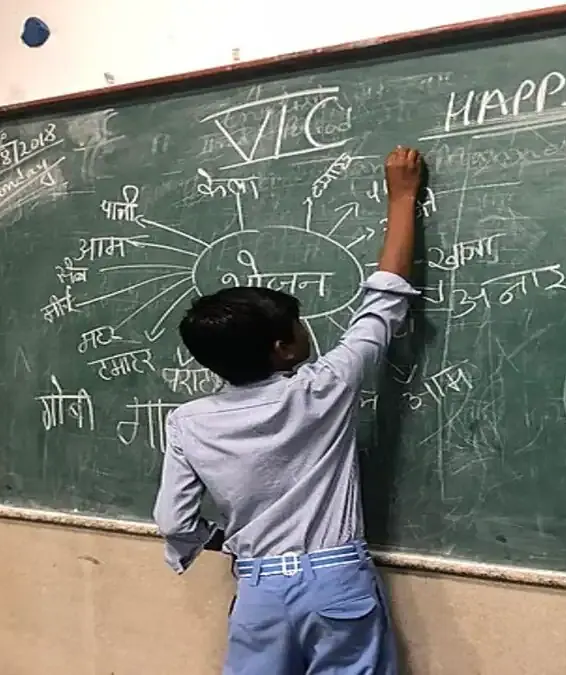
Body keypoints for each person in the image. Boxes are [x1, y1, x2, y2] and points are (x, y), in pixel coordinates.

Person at [153, 146, 424, 675]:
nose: (307, 332)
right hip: (337, 583)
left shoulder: (188, 422)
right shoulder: (324, 386)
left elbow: (173, 521)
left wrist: (215, 541)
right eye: (298, 326)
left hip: (260, 588)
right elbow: (383, 302)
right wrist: (403, 196)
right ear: (284, 347)